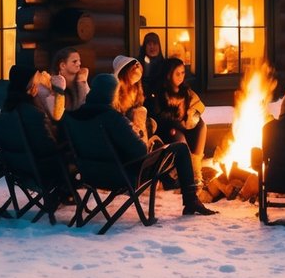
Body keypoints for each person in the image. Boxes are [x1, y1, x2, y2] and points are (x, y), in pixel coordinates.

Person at [67, 73, 216, 216]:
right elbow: (140, 152)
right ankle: (191, 200)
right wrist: (138, 134)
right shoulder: (112, 118)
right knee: (180, 148)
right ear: (111, 94)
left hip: (90, 175)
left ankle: (170, 180)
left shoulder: (73, 118)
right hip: (123, 176)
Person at [147, 57, 207, 186]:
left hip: (183, 124)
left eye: (183, 73)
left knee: (201, 125)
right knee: (177, 134)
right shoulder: (160, 92)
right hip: (166, 129)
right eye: (177, 73)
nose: (181, 77)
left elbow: (198, 104)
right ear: (169, 75)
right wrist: (177, 123)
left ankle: (195, 169)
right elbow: (158, 116)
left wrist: (193, 114)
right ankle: (181, 174)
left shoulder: (185, 91)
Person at [113, 54, 154, 145]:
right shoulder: (116, 91)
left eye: (138, 65)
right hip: (123, 129)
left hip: (136, 130)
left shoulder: (136, 89)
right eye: (133, 65)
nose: (137, 65)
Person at [47, 47, 90, 112]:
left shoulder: (81, 79)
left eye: (79, 61)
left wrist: (81, 82)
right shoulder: (50, 84)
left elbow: (86, 107)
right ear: (62, 65)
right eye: (74, 61)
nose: (79, 64)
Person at [138, 31, 167, 101]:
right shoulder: (138, 64)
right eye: (149, 44)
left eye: (154, 44)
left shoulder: (166, 64)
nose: (152, 47)